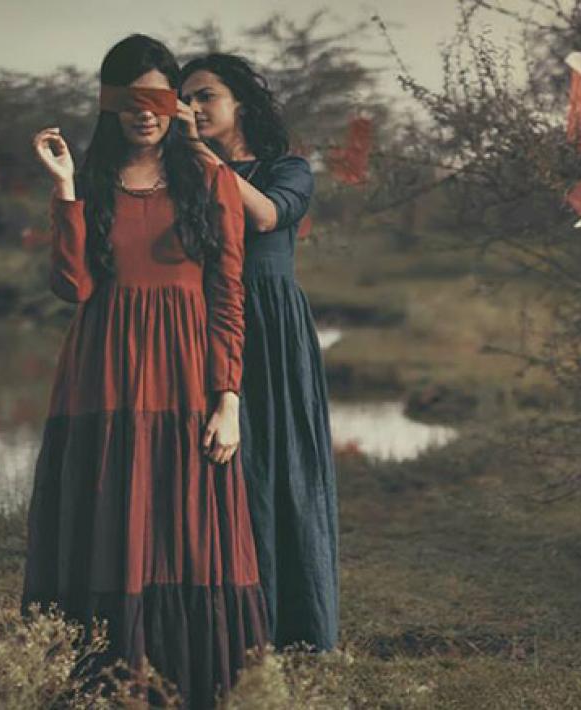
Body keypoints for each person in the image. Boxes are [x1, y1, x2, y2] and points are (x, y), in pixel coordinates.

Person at [21, 34, 268, 709]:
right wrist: (67, 187)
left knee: (184, 523)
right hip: (100, 374)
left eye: (159, 97)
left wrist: (229, 398)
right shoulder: (94, 181)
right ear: (108, 106)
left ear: (175, 104)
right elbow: (73, 288)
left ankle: (190, 680)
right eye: (129, 99)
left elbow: (228, 293)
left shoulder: (212, 179)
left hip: (187, 371)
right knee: (110, 513)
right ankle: (104, 681)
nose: (145, 112)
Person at [179, 53, 339, 652]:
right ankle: (224, 634)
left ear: (240, 102)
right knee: (216, 473)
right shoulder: (181, 171)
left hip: (270, 327)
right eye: (184, 100)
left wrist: (198, 154)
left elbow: (268, 215)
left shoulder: (286, 167)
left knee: (281, 472)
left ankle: (294, 631)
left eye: (204, 97)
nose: (193, 109)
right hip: (204, 325)